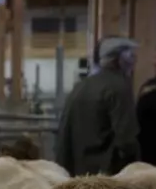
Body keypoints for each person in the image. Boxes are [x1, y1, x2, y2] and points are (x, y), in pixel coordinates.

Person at [55, 36, 140, 176]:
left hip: (76, 171)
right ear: (119, 59)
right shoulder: (119, 87)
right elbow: (126, 138)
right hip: (105, 175)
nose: (134, 62)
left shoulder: (82, 85)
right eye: (131, 56)